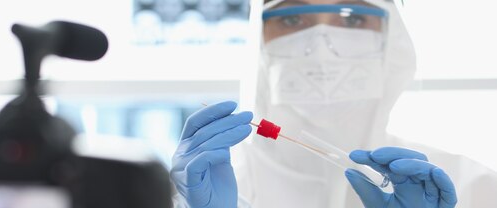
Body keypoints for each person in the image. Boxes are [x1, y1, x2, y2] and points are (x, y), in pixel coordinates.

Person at [170, 0, 497, 207]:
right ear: (259, 43)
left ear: (392, 40)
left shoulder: (468, 185)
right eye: (292, 20)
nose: (322, 47)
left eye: (352, 19)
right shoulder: (200, 189)